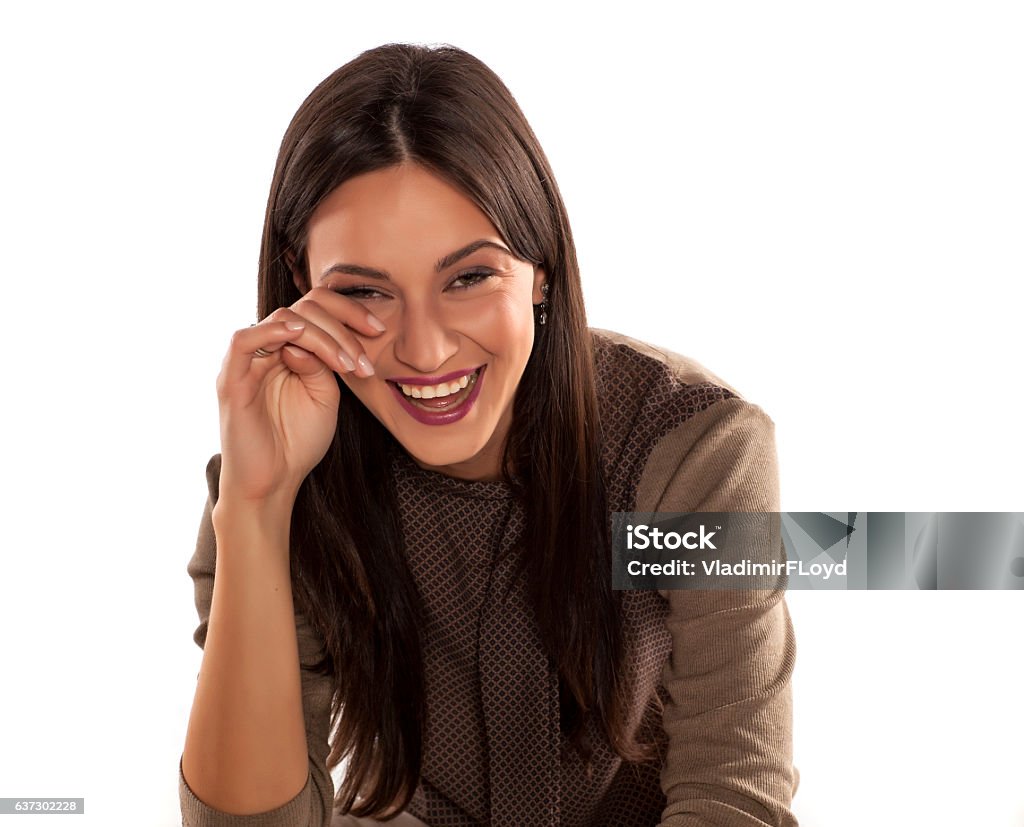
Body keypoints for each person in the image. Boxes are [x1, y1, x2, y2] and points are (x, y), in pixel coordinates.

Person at [177, 42, 801, 827]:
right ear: (301, 286)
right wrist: (259, 507)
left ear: (541, 268)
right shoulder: (281, 462)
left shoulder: (690, 451)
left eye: (469, 278)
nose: (424, 350)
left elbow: (731, 794)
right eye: (366, 291)